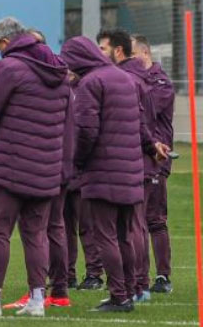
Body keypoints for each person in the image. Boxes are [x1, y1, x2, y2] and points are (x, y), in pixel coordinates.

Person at [60, 36, 169, 312]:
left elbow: (86, 131)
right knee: (127, 234)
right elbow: (141, 124)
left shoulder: (89, 84)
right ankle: (132, 290)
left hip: (103, 171)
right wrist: (150, 146)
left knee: (105, 235)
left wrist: (78, 163)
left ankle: (119, 296)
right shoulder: (125, 78)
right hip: (132, 169)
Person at [0, 17, 69, 318]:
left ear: (5, 41)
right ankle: (38, 298)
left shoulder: (9, 67)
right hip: (47, 164)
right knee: (36, 233)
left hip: (11, 163)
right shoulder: (59, 71)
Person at [99, 28, 157, 302]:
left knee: (131, 228)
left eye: (102, 48)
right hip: (138, 159)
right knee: (132, 227)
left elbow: (142, 123)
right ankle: (137, 286)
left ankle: (137, 286)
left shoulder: (128, 80)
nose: (99, 53)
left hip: (132, 162)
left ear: (118, 51)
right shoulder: (138, 79)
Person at [133, 34, 175, 293]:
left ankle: (163, 276)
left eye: (132, 54)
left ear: (145, 54)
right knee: (135, 221)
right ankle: (140, 277)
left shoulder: (161, 83)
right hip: (136, 158)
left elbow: (145, 111)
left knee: (155, 219)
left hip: (157, 159)